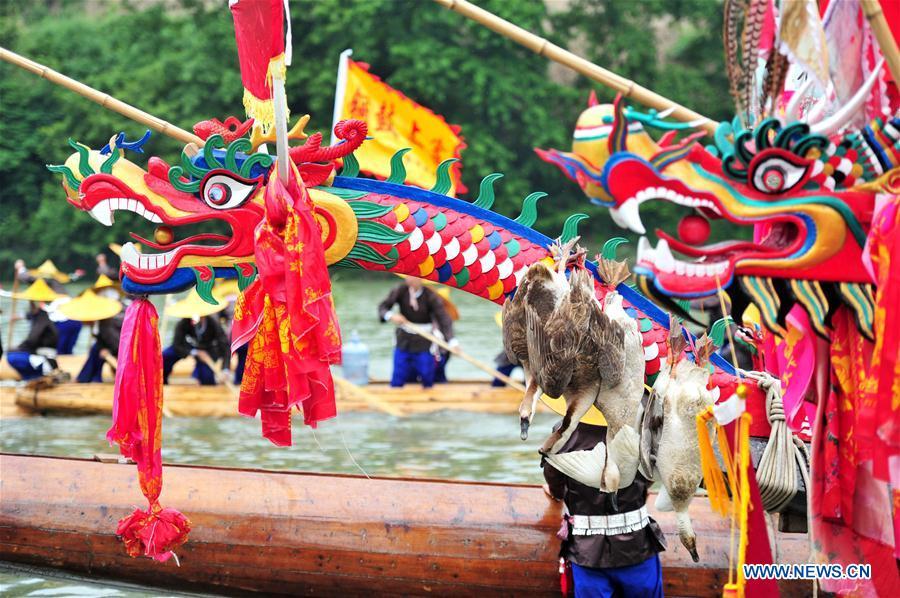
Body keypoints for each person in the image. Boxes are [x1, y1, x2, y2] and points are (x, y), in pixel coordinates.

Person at [543, 422, 666, 598]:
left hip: (587, 552)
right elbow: (651, 472)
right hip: (636, 546)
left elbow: (554, 479)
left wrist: (557, 492)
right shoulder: (640, 425)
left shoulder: (564, 430)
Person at [378, 277, 457, 388]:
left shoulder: (430, 295)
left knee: (426, 374)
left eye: (413, 276)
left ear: (421, 279)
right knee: (399, 374)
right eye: (408, 276)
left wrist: (453, 342)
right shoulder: (400, 290)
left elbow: (444, 319)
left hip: (424, 340)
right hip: (404, 339)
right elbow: (383, 307)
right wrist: (391, 316)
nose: (409, 279)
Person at [6, 280, 61, 381]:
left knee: (12, 357)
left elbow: (32, 340)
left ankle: (34, 377)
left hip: (45, 360)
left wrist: (17, 348)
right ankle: (31, 379)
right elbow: (29, 316)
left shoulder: (42, 317)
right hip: (39, 356)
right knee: (13, 353)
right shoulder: (37, 316)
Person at [162, 315, 230, 385]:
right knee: (165, 356)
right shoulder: (184, 321)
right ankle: (162, 381)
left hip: (207, 350)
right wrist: (194, 352)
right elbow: (177, 344)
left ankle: (201, 376)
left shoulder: (214, 323)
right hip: (189, 347)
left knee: (207, 377)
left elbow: (225, 347)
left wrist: (225, 370)